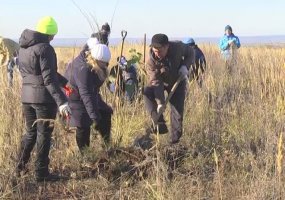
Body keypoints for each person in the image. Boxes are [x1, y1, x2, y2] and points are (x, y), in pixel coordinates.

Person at [16, 16, 71, 182]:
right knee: (43, 134)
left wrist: (65, 82)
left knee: (31, 133)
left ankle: (19, 166)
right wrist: (61, 101)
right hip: (43, 100)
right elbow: (48, 79)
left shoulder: (24, 48)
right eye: (52, 35)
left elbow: (39, 74)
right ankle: (41, 173)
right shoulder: (46, 49)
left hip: (26, 97)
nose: (53, 38)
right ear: (49, 35)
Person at [144, 33, 195, 144]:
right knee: (147, 92)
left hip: (178, 80)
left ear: (167, 46)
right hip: (161, 82)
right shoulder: (151, 62)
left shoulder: (178, 47)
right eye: (154, 51)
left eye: (160, 51)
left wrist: (185, 66)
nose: (157, 54)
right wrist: (160, 103)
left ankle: (174, 142)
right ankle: (159, 123)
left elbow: (191, 52)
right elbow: (156, 82)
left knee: (177, 112)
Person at [64, 43, 113, 153]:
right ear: (94, 59)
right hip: (74, 97)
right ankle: (85, 155)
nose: (106, 65)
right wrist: (94, 117)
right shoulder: (83, 69)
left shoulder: (97, 66)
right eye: (103, 63)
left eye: (106, 63)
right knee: (83, 124)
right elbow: (86, 95)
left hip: (90, 93)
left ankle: (107, 145)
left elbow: (92, 90)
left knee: (106, 112)